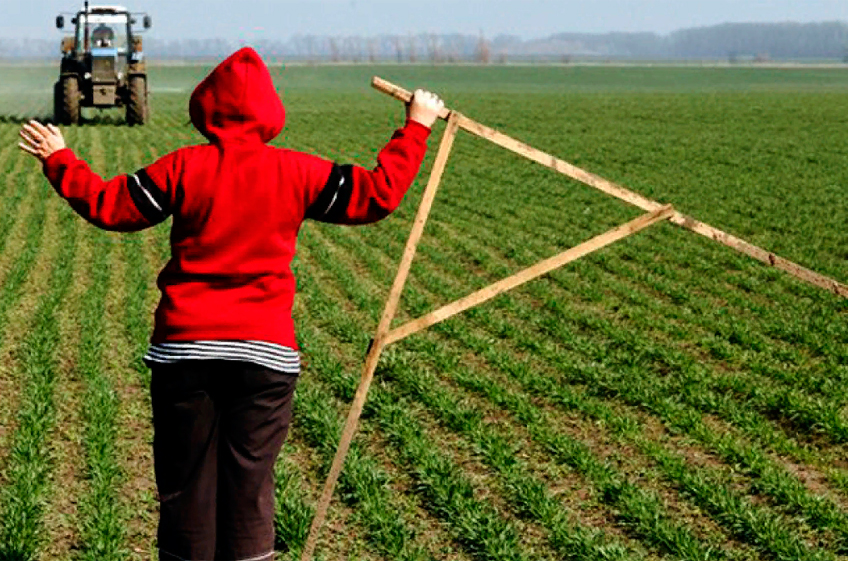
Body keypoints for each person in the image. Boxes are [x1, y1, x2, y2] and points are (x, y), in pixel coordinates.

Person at [18, 47, 443, 561]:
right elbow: (377, 195)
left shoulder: (183, 167)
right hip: (265, 360)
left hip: (185, 355)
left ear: (206, 107)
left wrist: (60, 158)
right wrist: (415, 127)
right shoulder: (298, 171)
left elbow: (112, 207)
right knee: (250, 488)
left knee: (186, 489)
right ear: (271, 112)